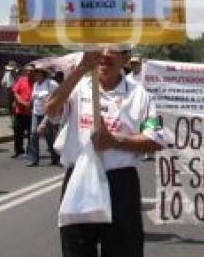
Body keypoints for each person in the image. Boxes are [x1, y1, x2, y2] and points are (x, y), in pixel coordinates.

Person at [45, 46, 165, 257]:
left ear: (126, 59)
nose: (105, 55)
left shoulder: (140, 96)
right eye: (100, 49)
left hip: (121, 184)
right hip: (79, 182)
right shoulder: (77, 87)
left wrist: (115, 141)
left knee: (124, 250)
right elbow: (51, 110)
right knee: (77, 250)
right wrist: (81, 68)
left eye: (114, 51)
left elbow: (155, 140)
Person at [27, 65, 60, 167]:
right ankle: (34, 159)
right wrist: (30, 104)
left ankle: (55, 157)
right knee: (33, 134)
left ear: (43, 74)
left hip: (47, 114)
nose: (36, 75)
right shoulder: (36, 84)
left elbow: (59, 95)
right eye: (36, 73)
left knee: (49, 136)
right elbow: (33, 98)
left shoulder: (51, 84)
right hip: (36, 112)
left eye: (38, 73)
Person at [10, 64, 35, 158]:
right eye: (27, 70)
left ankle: (30, 151)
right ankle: (18, 150)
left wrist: (30, 104)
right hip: (20, 111)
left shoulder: (37, 83)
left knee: (30, 134)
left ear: (34, 72)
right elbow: (15, 93)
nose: (29, 72)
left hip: (31, 113)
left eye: (31, 71)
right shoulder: (21, 80)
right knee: (17, 132)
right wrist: (23, 103)